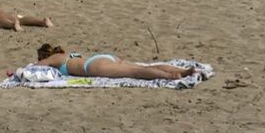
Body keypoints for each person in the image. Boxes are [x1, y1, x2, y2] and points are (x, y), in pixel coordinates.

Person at [35, 44, 195, 81]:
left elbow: (36, 67)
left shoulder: (54, 59)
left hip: (92, 67)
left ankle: (171, 76)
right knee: (143, 66)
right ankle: (182, 70)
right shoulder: (67, 54)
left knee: (136, 72)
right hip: (102, 58)